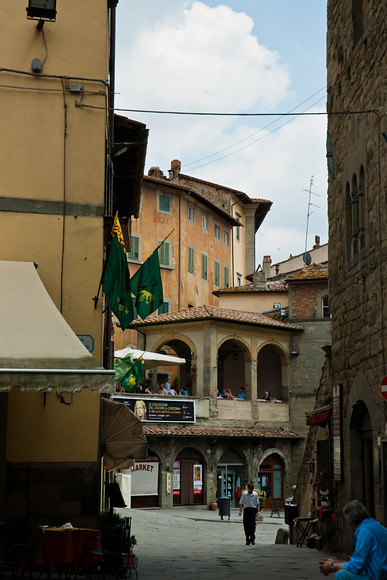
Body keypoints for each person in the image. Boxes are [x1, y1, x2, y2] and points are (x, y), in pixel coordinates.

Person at [319, 500, 387, 579]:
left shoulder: (364, 532)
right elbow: (359, 562)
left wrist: (333, 566)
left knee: (341, 575)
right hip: (378, 572)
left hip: (379, 576)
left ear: (349, 521)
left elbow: (357, 566)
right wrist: (336, 565)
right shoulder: (374, 525)